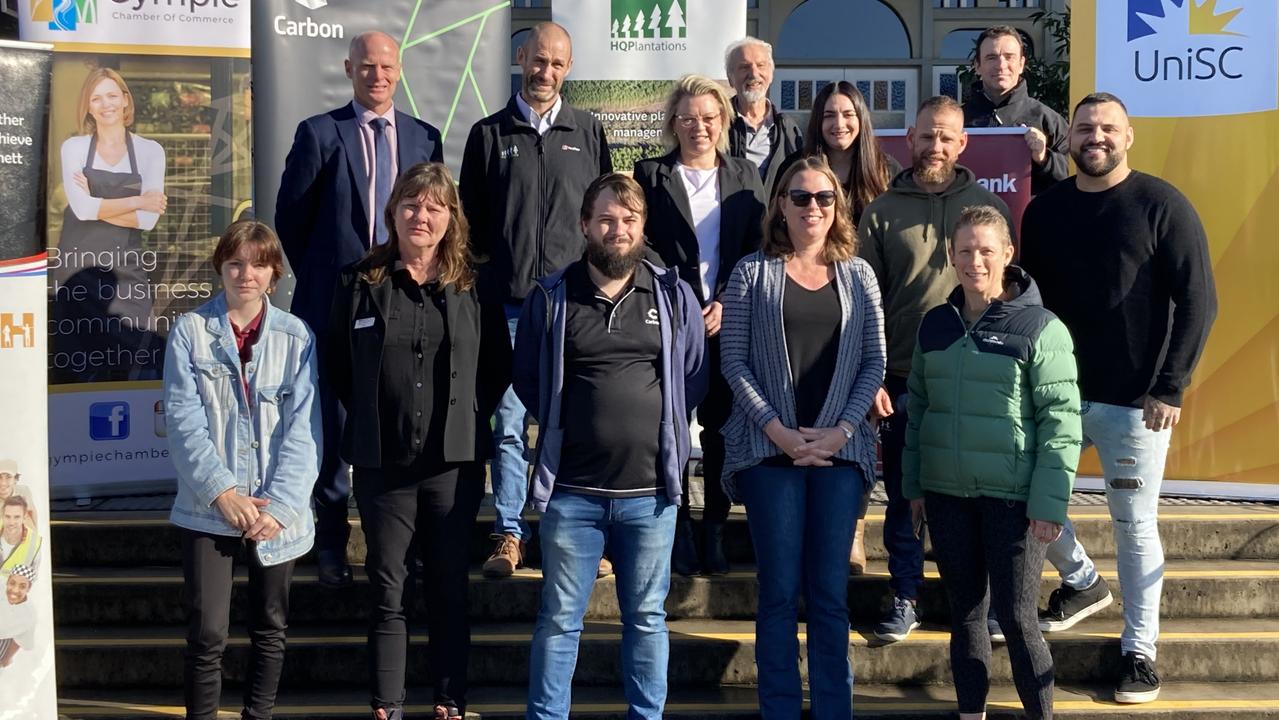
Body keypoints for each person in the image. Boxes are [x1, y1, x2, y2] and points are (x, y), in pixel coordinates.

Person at [1020, 92, 1218, 705]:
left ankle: (1140, 654)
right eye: (1084, 128)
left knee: (1134, 526)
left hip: (1138, 403)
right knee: (1028, 494)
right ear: (1068, 137)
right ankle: (1081, 581)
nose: (1095, 138)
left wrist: (1170, 385)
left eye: (1107, 128)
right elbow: (1030, 301)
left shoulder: (1163, 205)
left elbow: (1200, 301)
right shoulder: (1044, 212)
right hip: (1057, 394)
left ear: (1128, 136)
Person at [515, 173, 707, 720]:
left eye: (628, 220)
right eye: (606, 219)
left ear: (642, 227)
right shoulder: (552, 296)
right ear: (584, 225)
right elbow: (529, 378)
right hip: (572, 494)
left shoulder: (671, 294)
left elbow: (692, 374)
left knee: (646, 618)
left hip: (651, 494)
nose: (617, 230)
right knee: (558, 619)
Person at [326, 162, 510, 720]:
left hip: (452, 466)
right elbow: (338, 364)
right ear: (393, 213)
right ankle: (388, 703)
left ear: (451, 216)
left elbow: (497, 365)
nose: (420, 216)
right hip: (383, 464)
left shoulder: (475, 284)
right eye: (410, 204)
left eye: (433, 206)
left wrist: (468, 419)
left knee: (449, 586)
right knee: (389, 588)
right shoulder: (361, 281)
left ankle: (449, 700)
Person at [275, 30, 444, 588]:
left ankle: (394, 549)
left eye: (388, 68)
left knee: (395, 421)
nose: (378, 76)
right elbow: (291, 221)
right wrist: (336, 277)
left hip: (404, 303)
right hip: (332, 303)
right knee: (331, 423)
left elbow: (434, 219)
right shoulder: (320, 134)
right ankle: (328, 544)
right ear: (349, 69)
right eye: (367, 67)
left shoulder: (425, 137)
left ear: (400, 72)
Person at [720, 156, 885, 719]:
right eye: (800, 198)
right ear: (781, 206)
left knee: (831, 594)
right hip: (770, 455)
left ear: (837, 207)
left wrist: (841, 431)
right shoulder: (750, 273)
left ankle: (835, 710)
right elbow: (734, 363)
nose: (812, 207)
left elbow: (874, 361)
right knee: (778, 593)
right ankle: (782, 710)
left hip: (841, 456)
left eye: (823, 198)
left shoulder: (859, 274)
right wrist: (779, 433)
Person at [904, 206, 1081, 720]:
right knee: (965, 617)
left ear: (1007, 254)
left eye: (986, 250)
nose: (975, 260)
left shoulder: (1040, 327)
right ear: (951, 257)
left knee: (1019, 617)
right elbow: (918, 411)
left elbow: (1061, 424)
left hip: (1014, 502)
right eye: (965, 250)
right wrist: (915, 487)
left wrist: (1050, 504)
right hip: (946, 495)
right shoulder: (935, 325)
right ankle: (970, 714)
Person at [460, 22, 614, 580]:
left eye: (556, 63)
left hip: (573, 307)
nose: (545, 71)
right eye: (537, 59)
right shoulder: (487, 135)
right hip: (504, 308)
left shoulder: (589, 131)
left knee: (572, 421)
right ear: (520, 57)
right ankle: (508, 534)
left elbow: (605, 221)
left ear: (568, 68)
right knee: (506, 425)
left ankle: (570, 533)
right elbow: (468, 227)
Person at [858, 96, 1010, 643]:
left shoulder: (985, 207)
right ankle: (905, 595)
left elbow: (1005, 291)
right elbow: (864, 304)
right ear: (911, 139)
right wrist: (872, 375)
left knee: (975, 493)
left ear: (963, 143)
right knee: (904, 491)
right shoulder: (880, 211)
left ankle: (983, 606)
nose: (936, 147)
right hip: (900, 375)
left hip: (974, 376)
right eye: (927, 136)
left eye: (946, 137)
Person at [163, 220, 321, 720]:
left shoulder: (297, 337)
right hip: (208, 509)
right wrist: (223, 493)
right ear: (220, 269)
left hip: (277, 511)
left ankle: (259, 714)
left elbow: (306, 428)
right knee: (207, 630)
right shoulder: (190, 332)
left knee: (270, 625)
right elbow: (184, 422)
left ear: (274, 273)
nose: (245, 273)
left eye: (258, 263)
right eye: (235, 262)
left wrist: (281, 506)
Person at [633, 74, 765, 576]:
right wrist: (681, 297)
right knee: (667, 427)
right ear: (673, 123)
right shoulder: (650, 174)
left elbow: (758, 243)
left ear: (723, 122)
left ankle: (714, 528)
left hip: (728, 320)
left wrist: (729, 298)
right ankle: (678, 528)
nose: (699, 127)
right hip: (669, 318)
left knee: (720, 430)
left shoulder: (746, 175)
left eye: (709, 118)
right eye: (688, 118)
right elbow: (638, 242)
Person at [54, 67, 167, 383]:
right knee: (80, 363)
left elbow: (149, 219)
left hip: (126, 273)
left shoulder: (149, 151)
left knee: (133, 358)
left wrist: (96, 203)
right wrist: (137, 201)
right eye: (96, 98)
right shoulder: (73, 147)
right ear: (87, 106)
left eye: (112, 95)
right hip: (77, 272)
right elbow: (82, 208)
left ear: (126, 100)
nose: (106, 104)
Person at [773, 81, 900, 226]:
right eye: (829, 116)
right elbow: (776, 224)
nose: (839, 124)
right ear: (818, 121)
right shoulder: (793, 168)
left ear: (861, 119)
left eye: (848, 114)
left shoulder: (887, 170)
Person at [962, 25, 1068, 196]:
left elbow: (1077, 175)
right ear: (977, 66)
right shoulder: (958, 121)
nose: (1001, 65)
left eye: (1009, 57)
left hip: (1031, 220)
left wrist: (1044, 158)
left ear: (1021, 64)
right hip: (968, 219)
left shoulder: (1048, 120)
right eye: (991, 58)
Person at [724, 37, 803, 193]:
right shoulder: (718, 124)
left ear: (771, 74)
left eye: (761, 65)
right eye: (744, 67)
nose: (754, 74)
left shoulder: (787, 128)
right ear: (730, 78)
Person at [0, 565, 37, 670]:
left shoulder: (29, 614)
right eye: (12, 583)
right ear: (7, 582)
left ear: (29, 589)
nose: (15, 590)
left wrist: (5, 660)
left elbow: (21, 640)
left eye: (22, 586)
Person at [0, 497, 38, 574]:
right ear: (2, 516)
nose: (11, 522)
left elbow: (33, 580)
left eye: (17, 517)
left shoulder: (34, 543)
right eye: (7, 516)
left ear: (24, 518)